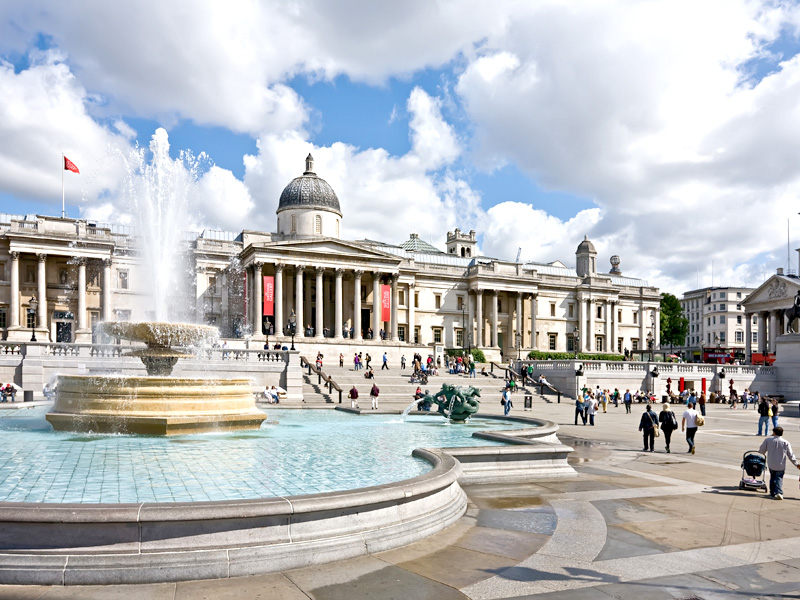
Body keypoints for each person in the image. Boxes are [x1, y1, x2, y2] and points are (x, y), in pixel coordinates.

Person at [758, 426, 800, 500]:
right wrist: (797, 464)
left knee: (772, 477)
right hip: (781, 464)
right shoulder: (785, 442)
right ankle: (779, 492)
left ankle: (772, 492)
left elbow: (761, 450)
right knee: (779, 478)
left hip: (771, 463)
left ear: (774, 432)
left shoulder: (768, 440)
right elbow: (790, 455)